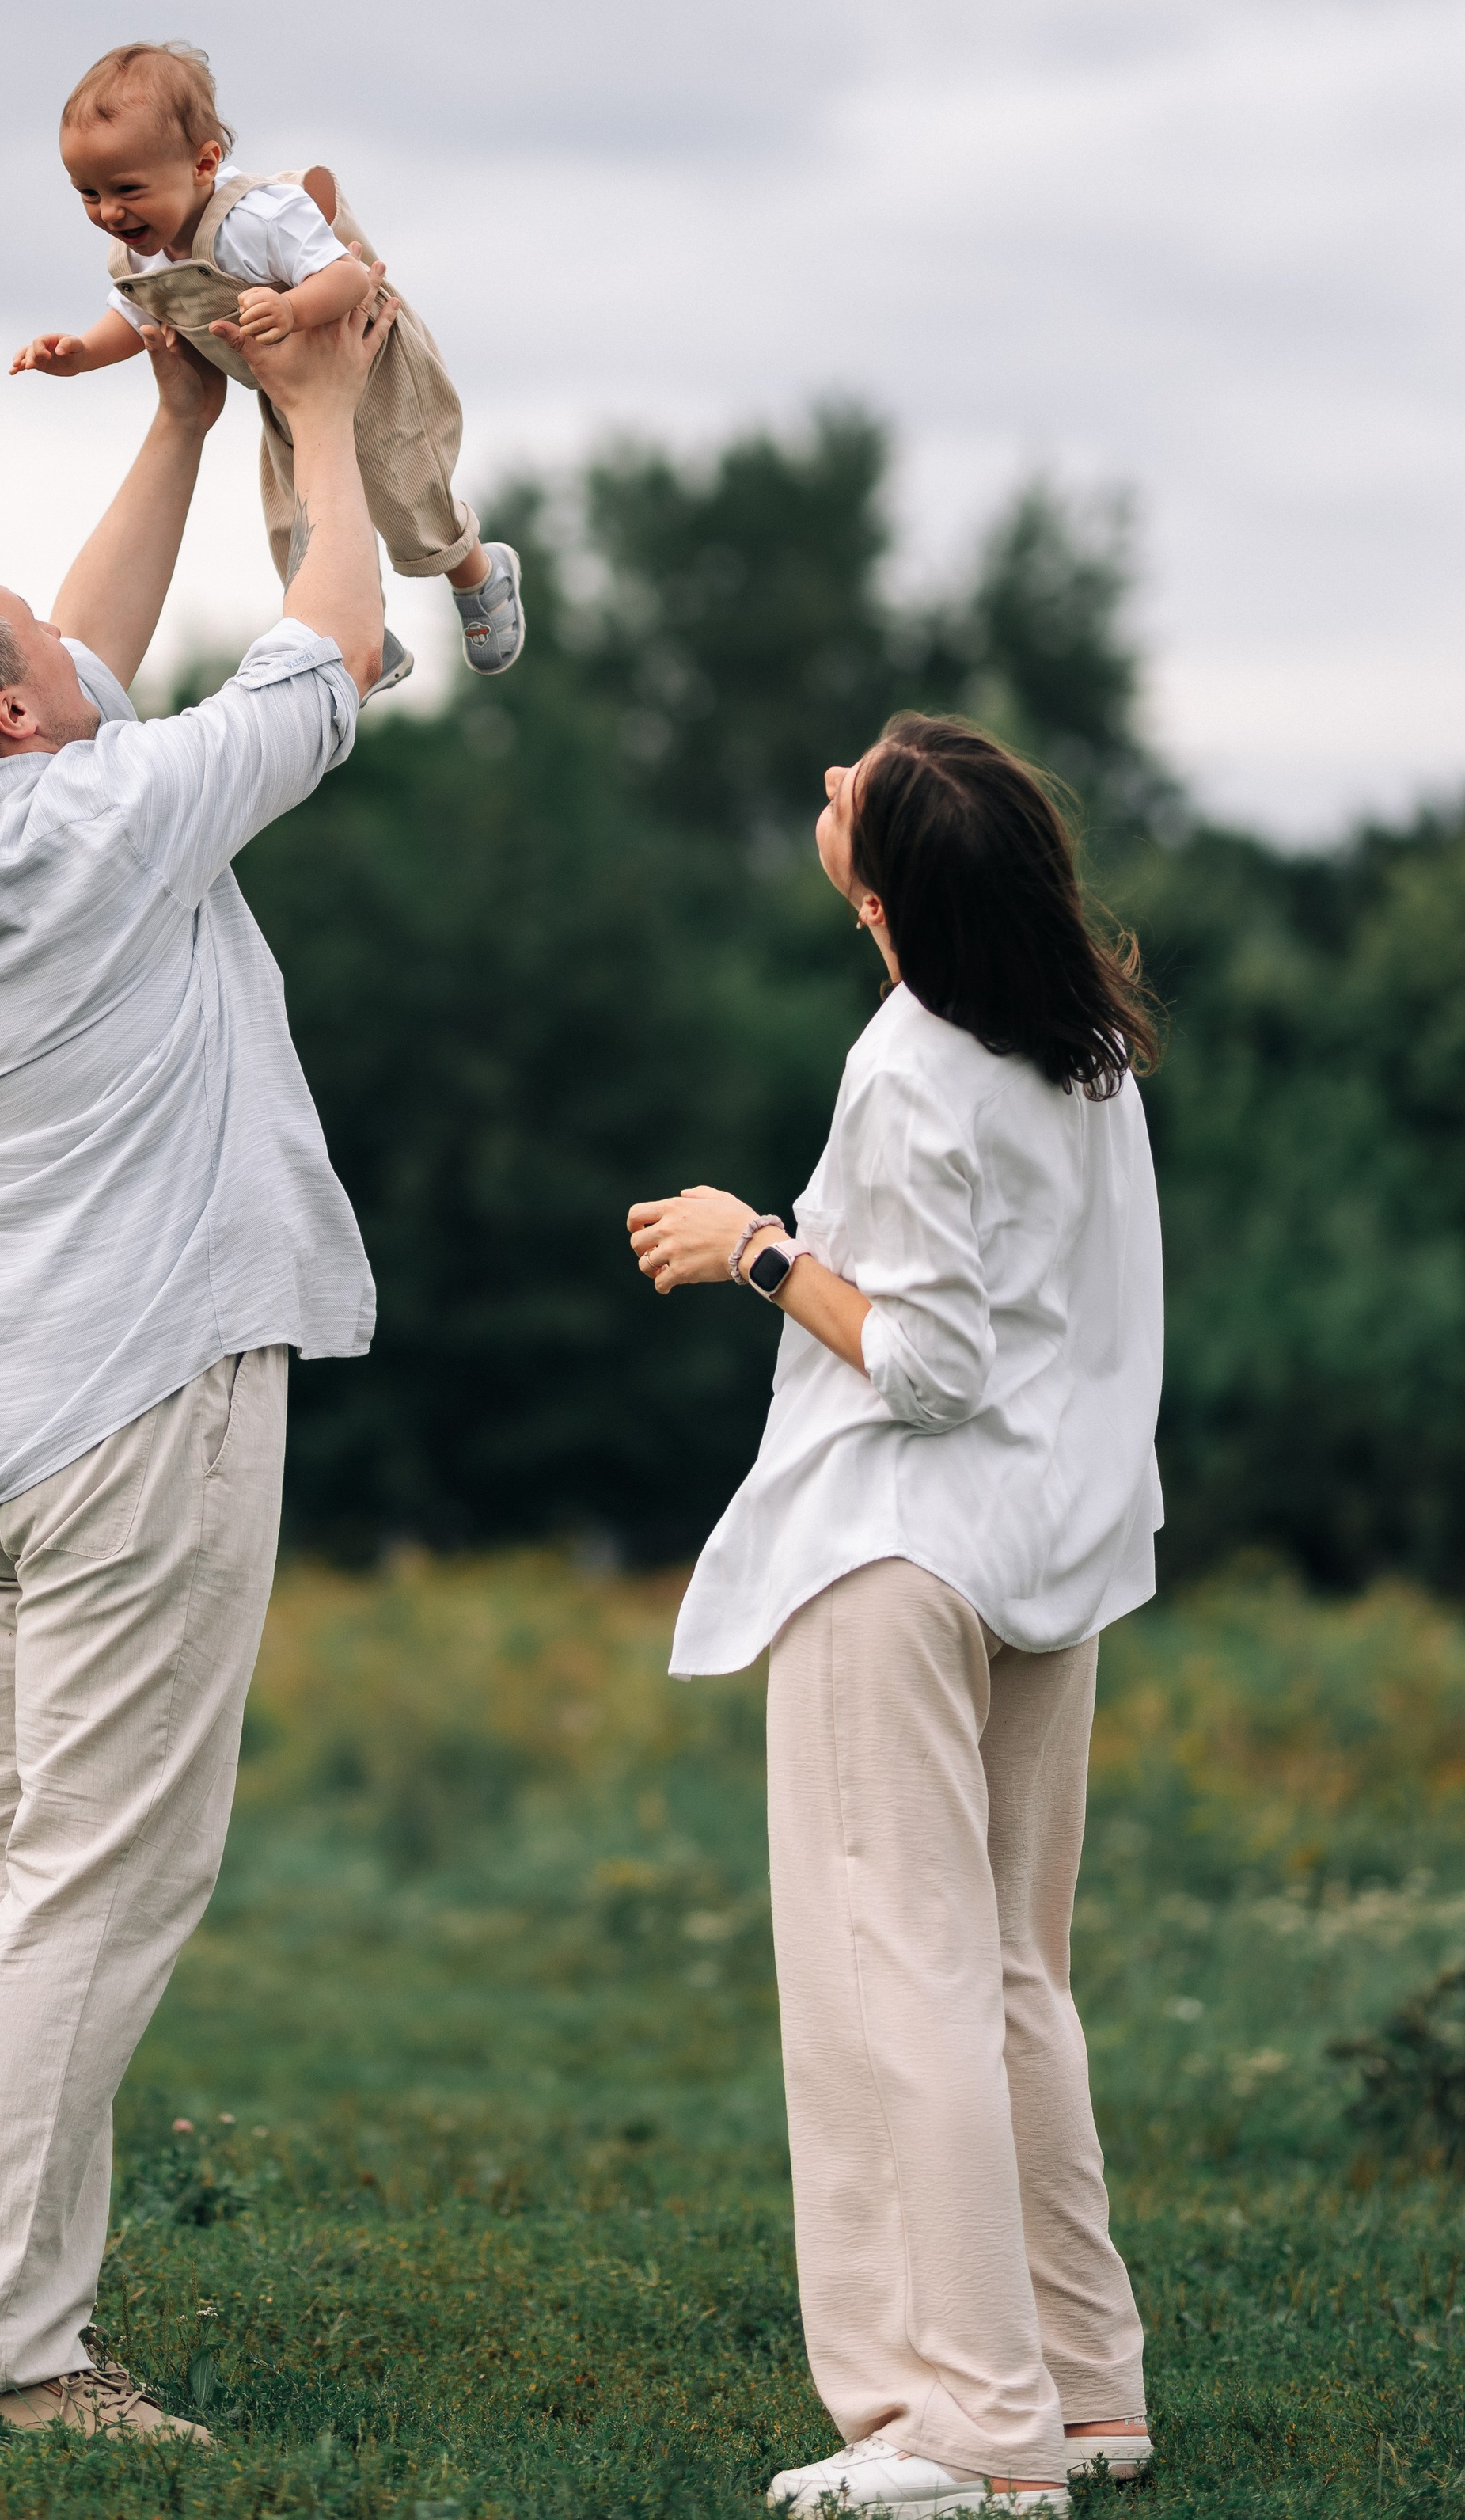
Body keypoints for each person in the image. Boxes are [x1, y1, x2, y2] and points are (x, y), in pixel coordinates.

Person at [0, 299, 397, 2437]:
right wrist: (317, 430)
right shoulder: (100, 824)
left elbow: (68, 644)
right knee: (102, 1880)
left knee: (8, 1874)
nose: (73, 652)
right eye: (37, 654)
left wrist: (174, 420)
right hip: (144, 1411)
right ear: (20, 716)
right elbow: (325, 655)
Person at [626, 716, 1163, 2517]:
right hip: (1045, 1557)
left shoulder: (906, 1062)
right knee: (1010, 1977)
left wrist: (752, 1248)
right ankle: (1085, 2394)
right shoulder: (1082, 1052)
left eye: (851, 780)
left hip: (901, 1557)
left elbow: (924, 1364)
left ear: (878, 885)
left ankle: (968, 2434)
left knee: (895, 1991)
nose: (829, 776)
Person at [9, 39, 525, 678]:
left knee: (405, 498)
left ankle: (479, 573)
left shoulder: (257, 219)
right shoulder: (141, 251)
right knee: (294, 526)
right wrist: (81, 353)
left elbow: (351, 279)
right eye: (87, 193)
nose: (110, 212)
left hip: (367, 364)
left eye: (127, 189)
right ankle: (359, 634)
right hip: (285, 391)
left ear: (204, 164)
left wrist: (293, 309)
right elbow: (133, 314)